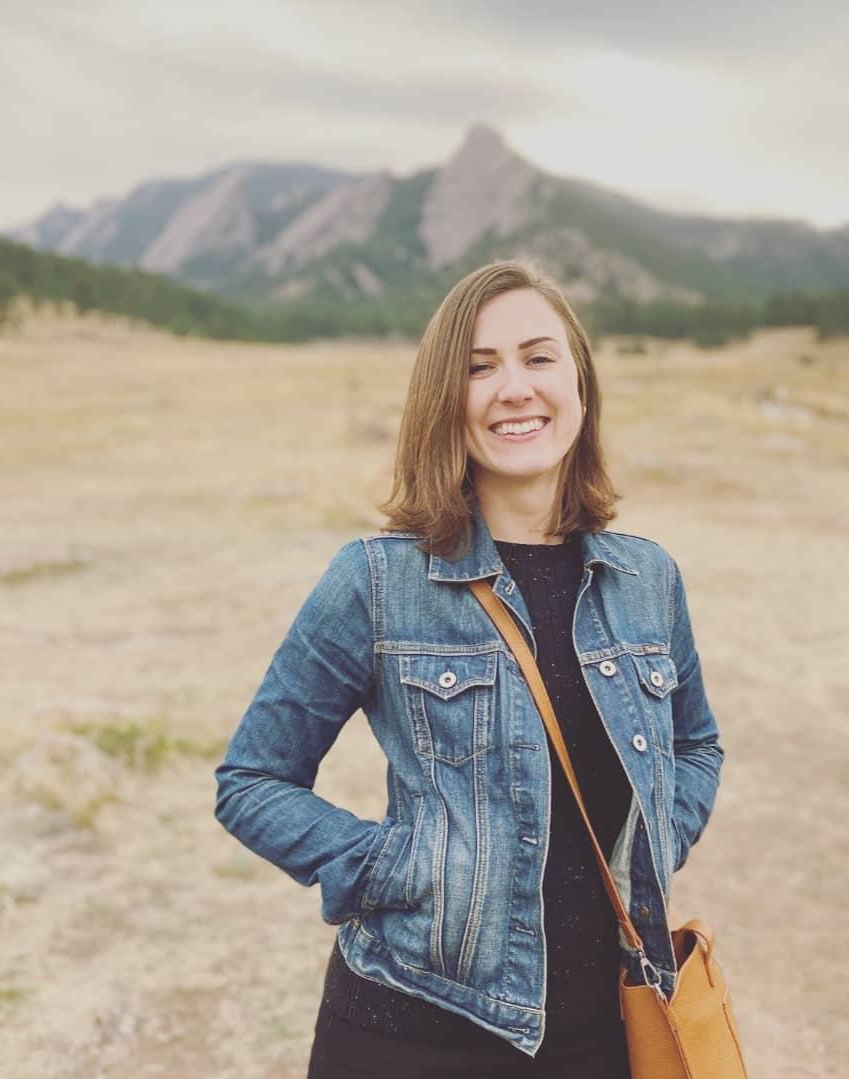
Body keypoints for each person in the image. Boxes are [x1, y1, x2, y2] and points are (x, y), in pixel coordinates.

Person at [214, 260, 724, 1078]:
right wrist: (395, 868)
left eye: (538, 357)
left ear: (580, 387)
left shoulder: (647, 579)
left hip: (607, 1023)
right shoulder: (376, 581)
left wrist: (650, 849)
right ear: (444, 403)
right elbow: (252, 778)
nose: (512, 387)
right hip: (410, 1025)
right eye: (478, 367)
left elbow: (697, 744)